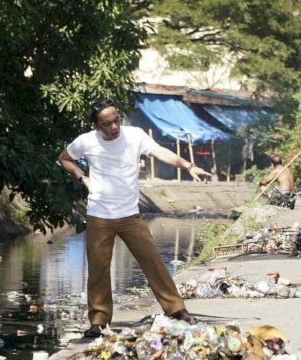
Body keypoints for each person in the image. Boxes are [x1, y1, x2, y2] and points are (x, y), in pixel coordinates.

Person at [58, 98, 212, 338]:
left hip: (129, 215)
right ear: (96, 126)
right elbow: (64, 158)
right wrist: (82, 177)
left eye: (116, 120)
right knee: (98, 270)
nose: (114, 127)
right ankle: (98, 322)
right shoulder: (85, 142)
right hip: (99, 214)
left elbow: (161, 152)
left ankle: (177, 310)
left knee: (152, 260)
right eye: (107, 123)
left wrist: (188, 166)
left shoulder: (135, 135)